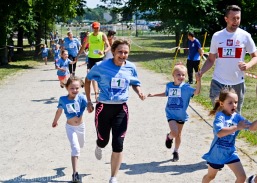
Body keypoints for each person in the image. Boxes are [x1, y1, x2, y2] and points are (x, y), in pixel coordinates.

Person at [85, 39, 145, 183]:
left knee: (118, 143)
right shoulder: (100, 66)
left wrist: (139, 91)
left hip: (121, 109)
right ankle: (99, 145)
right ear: (113, 52)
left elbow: (135, 83)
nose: (123, 55)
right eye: (120, 52)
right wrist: (88, 100)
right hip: (103, 108)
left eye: (126, 52)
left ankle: (113, 177)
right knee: (103, 140)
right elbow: (87, 80)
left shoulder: (131, 67)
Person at [197, 5, 257, 114]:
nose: (236, 21)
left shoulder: (245, 36)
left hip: (237, 83)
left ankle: (230, 131)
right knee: (220, 114)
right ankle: (221, 130)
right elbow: (211, 59)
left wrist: (248, 65)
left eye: (238, 18)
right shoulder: (217, 36)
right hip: (218, 82)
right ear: (226, 19)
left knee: (234, 117)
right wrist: (202, 71)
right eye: (233, 18)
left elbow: (255, 56)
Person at [201, 87, 257, 183]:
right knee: (210, 176)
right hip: (217, 154)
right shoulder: (220, 116)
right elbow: (220, 133)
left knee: (242, 177)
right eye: (230, 102)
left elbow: (252, 127)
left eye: (235, 102)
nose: (234, 105)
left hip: (230, 152)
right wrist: (237, 127)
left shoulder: (237, 117)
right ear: (222, 104)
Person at [148, 64, 201, 161]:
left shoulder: (186, 87)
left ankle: (176, 151)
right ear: (173, 75)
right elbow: (166, 94)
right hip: (171, 113)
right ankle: (169, 137)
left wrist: (199, 80)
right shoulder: (169, 85)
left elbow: (197, 92)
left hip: (181, 115)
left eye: (183, 75)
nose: (181, 77)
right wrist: (154, 95)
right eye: (178, 74)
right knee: (174, 132)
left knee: (178, 134)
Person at [52, 76, 87, 182]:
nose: (75, 90)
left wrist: (91, 107)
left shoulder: (81, 98)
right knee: (75, 148)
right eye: (72, 88)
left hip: (81, 127)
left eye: (77, 88)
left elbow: (88, 105)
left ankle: (59, 171)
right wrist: (55, 121)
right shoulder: (63, 99)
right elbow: (59, 111)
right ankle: (75, 174)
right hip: (70, 127)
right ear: (67, 88)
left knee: (81, 145)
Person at [78, 21, 110, 101]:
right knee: (91, 76)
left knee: (101, 77)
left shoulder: (102, 35)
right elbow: (84, 46)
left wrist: (104, 51)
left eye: (97, 28)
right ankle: (96, 94)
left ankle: (102, 92)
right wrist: (78, 55)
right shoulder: (89, 36)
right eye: (94, 28)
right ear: (92, 28)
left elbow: (108, 46)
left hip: (100, 58)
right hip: (91, 58)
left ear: (99, 27)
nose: (96, 29)